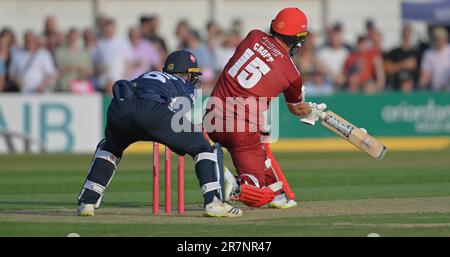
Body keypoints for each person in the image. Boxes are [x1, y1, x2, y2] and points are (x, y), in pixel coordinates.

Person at [77, 50, 242, 218]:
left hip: (119, 107)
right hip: (151, 111)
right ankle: (214, 202)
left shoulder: (149, 74)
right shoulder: (185, 85)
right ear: (186, 73)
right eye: (192, 75)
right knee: (201, 146)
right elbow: (176, 112)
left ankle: (87, 202)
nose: (194, 80)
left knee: (110, 147)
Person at [204, 8, 327, 209]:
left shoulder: (253, 36)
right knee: (256, 192)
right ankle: (232, 182)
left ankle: (278, 195)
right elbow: (296, 108)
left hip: (212, 118)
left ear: (274, 26)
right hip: (241, 130)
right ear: (299, 40)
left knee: (260, 147)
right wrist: (311, 110)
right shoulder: (292, 74)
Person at [91, 19, 132, 94]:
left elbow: (128, 63)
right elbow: (95, 63)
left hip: (119, 82)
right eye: (107, 29)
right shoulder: (100, 43)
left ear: (115, 29)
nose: (109, 31)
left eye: (111, 29)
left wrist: (125, 79)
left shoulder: (123, 42)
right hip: (103, 83)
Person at [384, 25, 418, 92]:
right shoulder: (394, 52)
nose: (406, 37)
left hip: (412, 88)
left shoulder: (416, 53)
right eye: (405, 35)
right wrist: (404, 64)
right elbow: (388, 68)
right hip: (396, 87)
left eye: (408, 35)